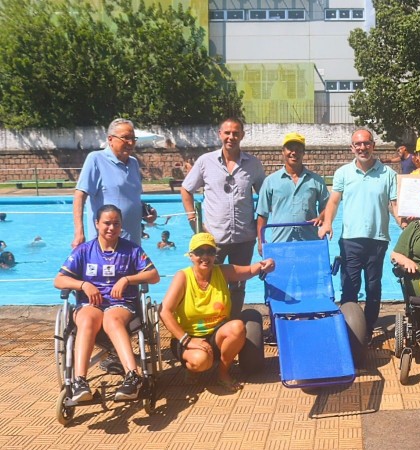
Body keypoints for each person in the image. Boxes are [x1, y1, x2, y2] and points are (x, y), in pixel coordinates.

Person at [54, 204, 161, 402]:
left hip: (120, 305)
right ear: (96, 224)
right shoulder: (84, 251)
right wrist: (83, 284)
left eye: (116, 224)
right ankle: (79, 381)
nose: (111, 228)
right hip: (90, 305)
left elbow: (154, 276)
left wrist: (127, 279)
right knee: (86, 319)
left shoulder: (131, 250)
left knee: (112, 319)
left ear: (121, 226)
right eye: (106, 223)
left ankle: (132, 376)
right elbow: (59, 280)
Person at [159, 233, 275, 390]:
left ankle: (222, 373)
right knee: (200, 362)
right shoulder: (183, 277)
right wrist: (188, 341)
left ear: (215, 255)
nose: (205, 257)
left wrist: (267, 264)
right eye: (200, 252)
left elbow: (249, 271)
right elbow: (165, 311)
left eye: (210, 252)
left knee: (237, 327)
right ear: (191, 256)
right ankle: (192, 369)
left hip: (216, 334)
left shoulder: (222, 271)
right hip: (188, 336)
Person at [181, 118, 266, 318]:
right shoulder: (205, 162)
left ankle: (233, 322)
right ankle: (210, 323)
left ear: (242, 135)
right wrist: (193, 220)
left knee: (238, 286)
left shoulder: (253, 164)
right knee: (206, 282)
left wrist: (260, 226)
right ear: (220, 134)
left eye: (236, 133)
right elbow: (186, 189)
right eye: (227, 133)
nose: (231, 137)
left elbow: (265, 196)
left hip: (244, 238)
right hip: (213, 239)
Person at [318, 128, 400, 333]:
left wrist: (403, 223)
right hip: (350, 239)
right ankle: (349, 326)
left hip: (377, 238)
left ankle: (369, 327)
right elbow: (334, 201)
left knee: (373, 287)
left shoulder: (388, 174)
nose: (362, 148)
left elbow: (394, 203)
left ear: (373, 145)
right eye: (358, 144)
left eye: (366, 143)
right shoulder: (343, 172)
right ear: (352, 147)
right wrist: (328, 222)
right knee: (349, 286)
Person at [73, 118, 143, 248]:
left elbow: (130, 198)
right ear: (110, 139)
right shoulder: (96, 159)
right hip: (106, 247)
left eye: (133, 138)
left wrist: (144, 211)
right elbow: (79, 195)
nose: (131, 142)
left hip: (133, 246)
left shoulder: (133, 163)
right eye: (125, 138)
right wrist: (79, 232)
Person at [256, 132, 329, 249]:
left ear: (303, 153)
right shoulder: (270, 181)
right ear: (283, 151)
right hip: (280, 243)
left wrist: (321, 217)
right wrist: (261, 241)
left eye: (298, 149)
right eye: (290, 149)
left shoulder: (316, 181)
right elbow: (262, 214)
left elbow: (328, 206)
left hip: (309, 242)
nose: (294, 153)